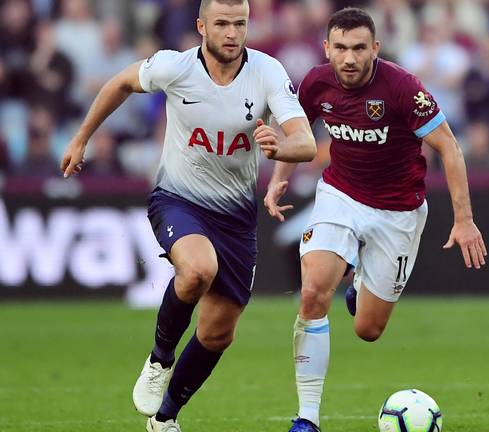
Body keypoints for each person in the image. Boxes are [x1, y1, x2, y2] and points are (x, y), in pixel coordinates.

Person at [59, 1, 316, 431]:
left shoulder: (268, 72)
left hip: (236, 217)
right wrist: (82, 138)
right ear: (201, 27)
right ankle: (159, 359)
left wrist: (279, 149)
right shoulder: (174, 68)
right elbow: (120, 82)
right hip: (177, 198)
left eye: (240, 24)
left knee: (218, 333)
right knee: (197, 270)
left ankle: (165, 419)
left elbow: (305, 143)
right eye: (222, 24)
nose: (232, 33)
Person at [263, 8, 487, 432]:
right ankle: (307, 418)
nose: (349, 58)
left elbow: (449, 148)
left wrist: (464, 219)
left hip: (398, 213)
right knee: (312, 292)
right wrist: (278, 180)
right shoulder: (316, 82)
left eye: (359, 48)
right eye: (341, 48)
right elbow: (298, 135)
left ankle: (360, 284)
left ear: (375, 49)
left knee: (368, 329)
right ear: (327, 48)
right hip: (340, 196)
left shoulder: (404, 88)